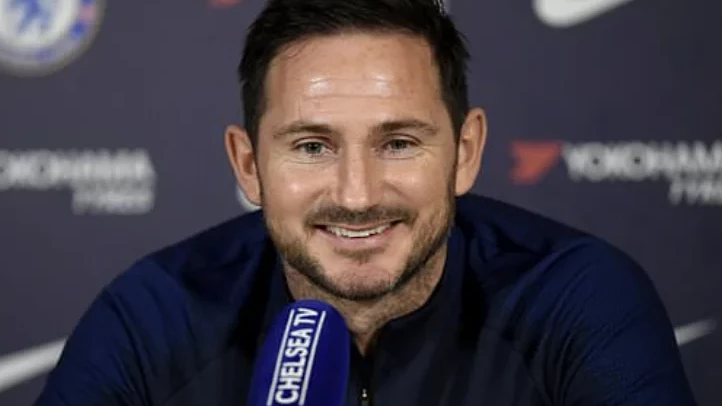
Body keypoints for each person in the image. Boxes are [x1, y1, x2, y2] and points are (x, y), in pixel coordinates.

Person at [34, 0, 697, 405]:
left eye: (399, 143)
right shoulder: (153, 316)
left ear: (466, 152)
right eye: (312, 146)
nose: (357, 195)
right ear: (248, 164)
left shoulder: (576, 298)